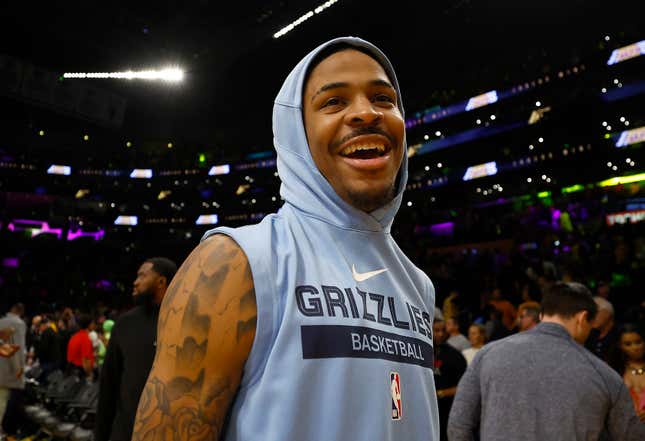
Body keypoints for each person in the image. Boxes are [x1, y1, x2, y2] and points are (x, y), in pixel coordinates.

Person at [133, 37, 440, 441]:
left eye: (383, 98)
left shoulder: (419, 285)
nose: (366, 113)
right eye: (334, 102)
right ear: (295, 133)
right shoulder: (235, 262)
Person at [448, 282, 645, 440]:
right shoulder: (603, 375)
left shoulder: (488, 354)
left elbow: (458, 426)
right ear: (583, 318)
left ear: (542, 315)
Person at [94, 257, 177, 441]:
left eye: (142, 275)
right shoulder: (125, 323)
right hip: (126, 432)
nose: (135, 281)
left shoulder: (184, 322)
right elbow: (109, 386)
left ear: (161, 281)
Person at [432, 319, 467, 441]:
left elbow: (464, 387)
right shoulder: (421, 353)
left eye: (443, 331)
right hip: (427, 410)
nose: (440, 334)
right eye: (436, 330)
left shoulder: (455, 356)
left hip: (447, 410)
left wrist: (441, 394)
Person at [608, 324, 645, 421]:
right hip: (625, 428)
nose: (635, 348)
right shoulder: (614, 370)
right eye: (628, 344)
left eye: (638, 342)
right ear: (620, 346)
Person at [0, 303, 27, 436]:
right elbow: (17, 350)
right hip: (11, 373)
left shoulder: (1, 322)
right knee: (7, 408)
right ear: (20, 311)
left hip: (1, 371)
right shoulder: (18, 324)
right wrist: (19, 372)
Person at [586, 296, 619, 362]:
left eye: (595, 312)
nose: (591, 317)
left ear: (607, 313)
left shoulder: (620, 334)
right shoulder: (589, 334)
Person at [66, 313, 94, 379]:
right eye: (92, 323)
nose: (94, 325)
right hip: (81, 373)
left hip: (72, 370)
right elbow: (85, 361)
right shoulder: (85, 339)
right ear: (89, 325)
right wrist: (90, 375)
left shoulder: (74, 336)